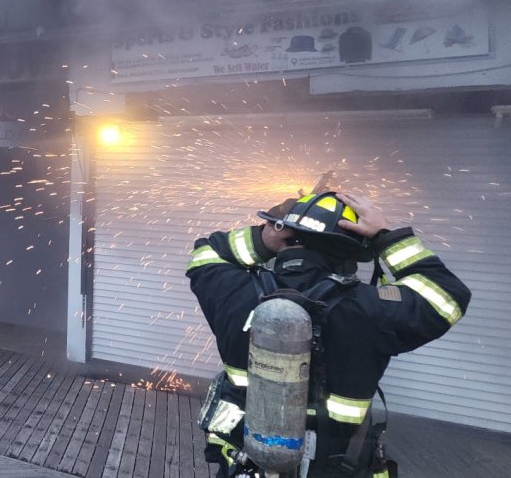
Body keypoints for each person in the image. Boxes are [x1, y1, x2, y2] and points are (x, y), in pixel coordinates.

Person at [187, 191, 470, 477]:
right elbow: (448, 296)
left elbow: (205, 253)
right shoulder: (371, 309)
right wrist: (385, 236)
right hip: (334, 468)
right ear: (349, 253)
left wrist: (264, 238)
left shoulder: (233, 291)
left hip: (246, 461)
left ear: (287, 238)